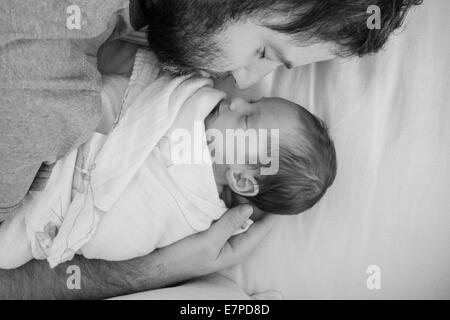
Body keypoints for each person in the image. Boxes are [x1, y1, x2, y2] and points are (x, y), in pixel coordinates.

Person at [0, 0, 420, 299]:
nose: (241, 80)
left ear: (242, 178)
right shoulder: (46, 90)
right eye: (263, 51)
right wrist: (151, 272)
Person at [0, 54, 336, 269]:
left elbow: (129, 231)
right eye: (253, 101)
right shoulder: (198, 98)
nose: (237, 104)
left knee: (9, 250)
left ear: (243, 180)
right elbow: (151, 90)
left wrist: (78, 220)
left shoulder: (192, 213)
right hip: (83, 121)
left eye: (247, 120)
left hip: (63, 200)